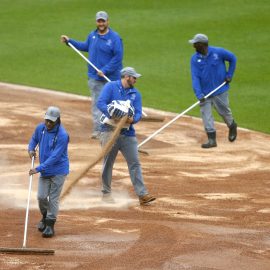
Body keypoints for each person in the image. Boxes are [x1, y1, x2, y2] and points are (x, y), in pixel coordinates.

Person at [97, 67, 156, 205]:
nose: (136, 79)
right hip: (108, 132)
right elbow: (101, 103)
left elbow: (138, 113)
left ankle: (142, 195)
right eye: (134, 77)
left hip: (128, 134)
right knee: (108, 164)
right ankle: (106, 194)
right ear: (126, 77)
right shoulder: (110, 87)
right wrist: (111, 114)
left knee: (135, 163)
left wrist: (132, 120)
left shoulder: (136, 94)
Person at [60, 11, 123, 139]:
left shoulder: (115, 38)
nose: (101, 23)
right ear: (96, 22)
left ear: (107, 22)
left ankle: (118, 131)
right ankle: (99, 130)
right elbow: (84, 46)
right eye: (99, 21)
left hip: (111, 79)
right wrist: (69, 42)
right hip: (95, 78)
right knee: (98, 104)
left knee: (115, 104)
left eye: (103, 21)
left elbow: (118, 58)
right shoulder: (92, 36)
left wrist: (105, 70)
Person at [189, 33, 237, 148]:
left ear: (202, 44)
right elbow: (195, 77)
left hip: (220, 90)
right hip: (204, 94)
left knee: (224, 112)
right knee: (206, 115)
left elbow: (233, 58)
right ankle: (212, 140)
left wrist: (229, 74)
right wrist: (198, 93)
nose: (193, 46)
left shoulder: (218, 52)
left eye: (195, 44)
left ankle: (232, 126)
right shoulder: (194, 59)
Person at [28, 106, 69, 238]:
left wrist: (38, 168)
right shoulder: (40, 128)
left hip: (59, 171)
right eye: (47, 120)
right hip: (45, 171)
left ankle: (50, 225)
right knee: (41, 197)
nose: (48, 123)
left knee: (53, 199)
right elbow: (34, 139)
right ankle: (45, 217)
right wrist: (31, 149)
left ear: (58, 120)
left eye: (51, 121)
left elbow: (55, 157)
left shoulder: (62, 135)